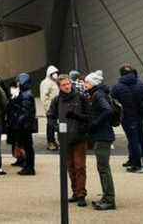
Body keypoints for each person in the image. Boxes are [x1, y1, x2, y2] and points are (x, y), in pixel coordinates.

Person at [48, 74, 90, 207]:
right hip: (65, 138)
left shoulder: (81, 97)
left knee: (80, 167)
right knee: (70, 167)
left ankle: (81, 194)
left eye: (68, 84)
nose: (67, 86)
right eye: (64, 85)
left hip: (79, 137)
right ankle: (75, 192)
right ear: (59, 86)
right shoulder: (56, 100)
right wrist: (56, 126)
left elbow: (89, 116)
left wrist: (80, 123)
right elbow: (50, 115)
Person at [83, 71, 116, 211]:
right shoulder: (99, 93)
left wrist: (95, 123)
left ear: (93, 83)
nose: (85, 84)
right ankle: (106, 196)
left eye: (87, 82)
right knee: (102, 168)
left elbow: (107, 110)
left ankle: (109, 199)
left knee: (103, 168)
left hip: (103, 136)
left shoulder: (98, 94)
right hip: (103, 135)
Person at [111, 65, 143, 173]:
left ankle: (136, 164)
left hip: (128, 117)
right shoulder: (141, 85)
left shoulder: (117, 87)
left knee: (133, 140)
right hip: (142, 117)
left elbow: (113, 104)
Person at [12, 73, 37, 175]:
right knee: (28, 147)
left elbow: (25, 112)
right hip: (26, 125)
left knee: (27, 147)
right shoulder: (26, 93)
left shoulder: (26, 95)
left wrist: (18, 121)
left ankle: (29, 167)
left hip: (25, 126)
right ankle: (28, 166)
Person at [40, 65, 60, 151]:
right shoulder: (46, 83)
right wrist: (48, 108)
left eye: (56, 73)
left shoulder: (54, 82)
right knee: (51, 126)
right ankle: (50, 142)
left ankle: (54, 141)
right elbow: (44, 97)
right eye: (53, 73)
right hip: (51, 108)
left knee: (55, 125)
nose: (56, 75)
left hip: (56, 107)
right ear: (50, 74)